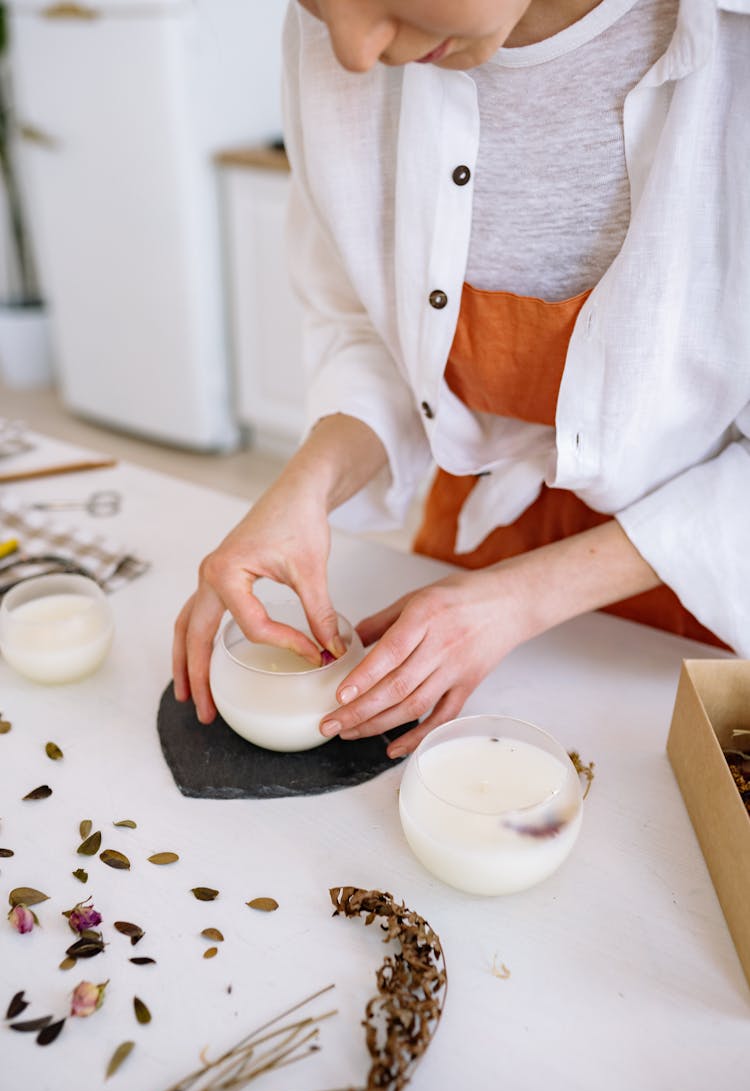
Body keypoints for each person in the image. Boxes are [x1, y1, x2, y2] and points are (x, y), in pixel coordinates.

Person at [173, 0, 750, 758]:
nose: (350, 50)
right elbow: (376, 329)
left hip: (705, 580)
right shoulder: (344, 41)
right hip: (477, 546)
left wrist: (519, 599)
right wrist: (307, 484)